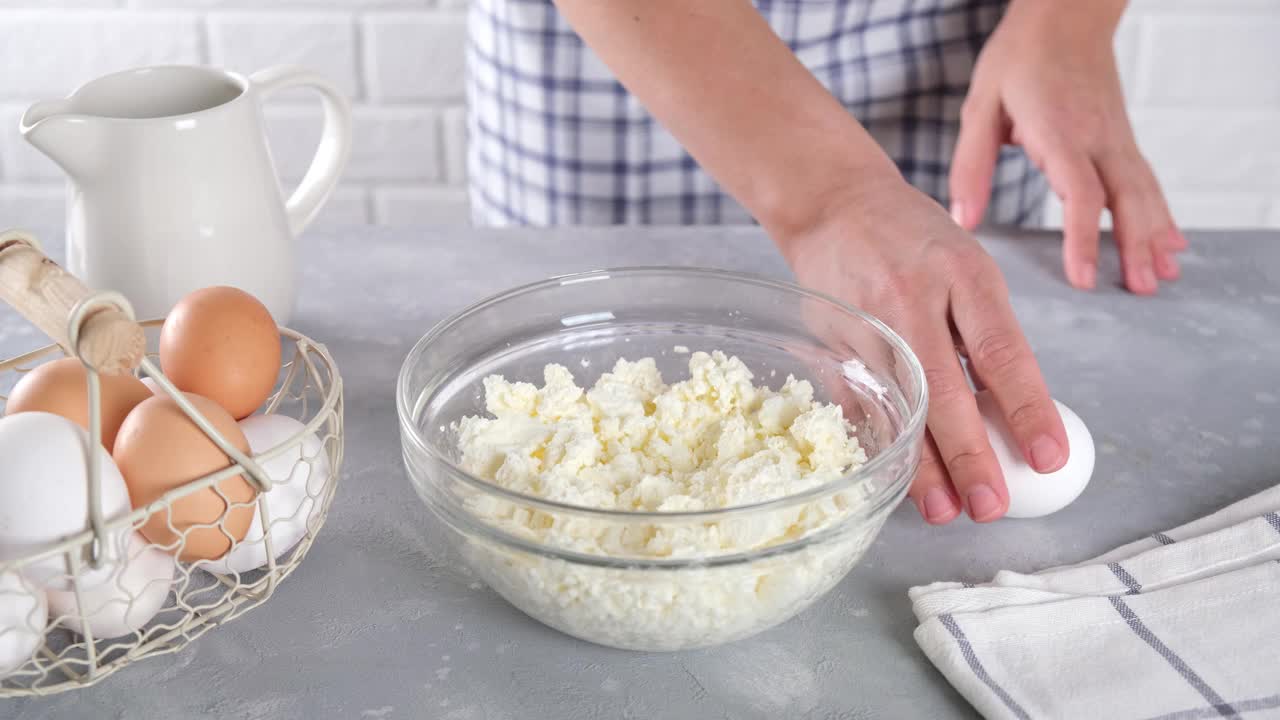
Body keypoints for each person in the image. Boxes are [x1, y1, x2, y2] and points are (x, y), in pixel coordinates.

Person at [464, 0, 1187, 525]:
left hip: (951, 46)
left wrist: (1064, 24)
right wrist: (836, 196)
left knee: (927, 335)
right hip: (633, 54)